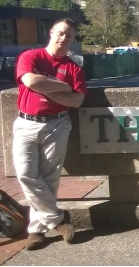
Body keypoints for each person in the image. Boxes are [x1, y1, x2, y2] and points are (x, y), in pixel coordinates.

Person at [13, 18, 87, 250]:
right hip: (26, 124)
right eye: (61, 33)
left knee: (49, 178)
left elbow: (77, 100)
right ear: (51, 32)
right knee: (25, 174)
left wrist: (49, 88)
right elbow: (30, 80)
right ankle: (59, 219)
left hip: (57, 125)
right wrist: (63, 87)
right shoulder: (31, 57)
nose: (64, 38)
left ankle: (36, 231)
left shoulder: (74, 68)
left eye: (70, 36)